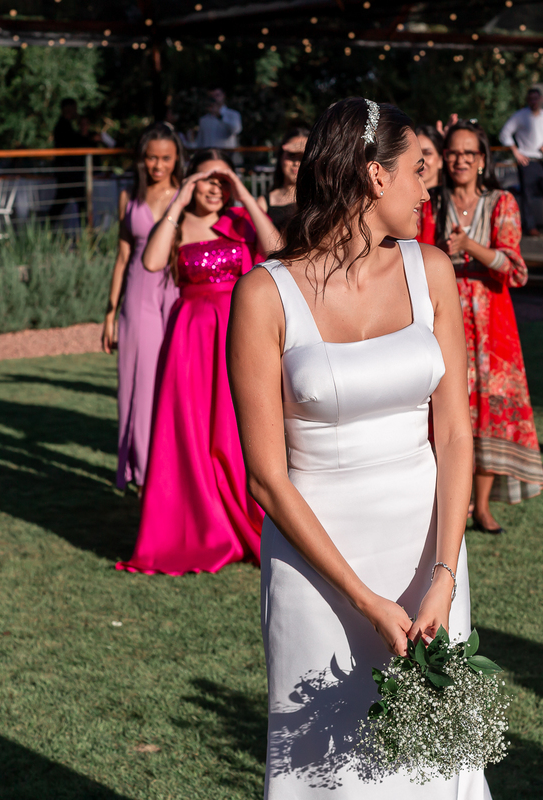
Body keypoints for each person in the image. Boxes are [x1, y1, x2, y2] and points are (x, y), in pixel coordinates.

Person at [227, 97, 488, 796]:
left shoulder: (431, 269)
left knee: (432, 761)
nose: (428, 187)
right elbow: (265, 479)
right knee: (332, 771)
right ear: (375, 176)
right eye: (417, 170)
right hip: (319, 568)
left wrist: (444, 575)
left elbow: (456, 433)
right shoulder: (263, 294)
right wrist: (364, 599)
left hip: (426, 553)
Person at [115, 149, 281, 575]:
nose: (214, 188)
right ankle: (203, 524)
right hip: (190, 338)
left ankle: (243, 516)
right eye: (206, 180)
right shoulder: (177, 224)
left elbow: (277, 247)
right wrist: (181, 196)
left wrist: (240, 187)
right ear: (191, 183)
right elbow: (151, 261)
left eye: (220, 181)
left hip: (237, 331)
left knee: (233, 429)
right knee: (190, 432)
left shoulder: (240, 222)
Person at [417, 120, 543, 532]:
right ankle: (457, 501)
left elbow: (516, 269)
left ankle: (484, 506)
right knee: (447, 405)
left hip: (493, 321)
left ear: (483, 159)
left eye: (468, 153)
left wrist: (470, 247)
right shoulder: (431, 201)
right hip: (443, 313)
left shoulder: (501, 202)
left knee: (489, 409)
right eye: (453, 152)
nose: (459, 160)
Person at [102, 124, 185, 494]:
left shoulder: (185, 196)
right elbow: (121, 258)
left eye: (166, 158)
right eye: (152, 157)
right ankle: (141, 470)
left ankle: (173, 469)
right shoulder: (128, 197)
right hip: (137, 295)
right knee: (135, 386)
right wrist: (109, 314)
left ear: (176, 160)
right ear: (142, 158)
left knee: (171, 384)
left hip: (176, 293)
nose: (158, 165)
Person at [499, 87, 543, 235]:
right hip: (527, 162)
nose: (534, 102)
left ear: (541, 99)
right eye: (531, 99)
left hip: (542, 162)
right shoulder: (520, 116)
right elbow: (504, 134)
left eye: (536, 98)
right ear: (528, 100)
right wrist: (516, 153)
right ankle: (530, 226)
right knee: (528, 197)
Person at [46, 98, 99, 225]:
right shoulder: (63, 127)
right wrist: (89, 139)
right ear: (68, 109)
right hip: (69, 174)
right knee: (71, 206)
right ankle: (88, 235)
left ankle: (45, 230)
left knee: (70, 205)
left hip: (70, 174)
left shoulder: (66, 126)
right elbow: (74, 146)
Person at [257, 128, 309, 232]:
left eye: (303, 156)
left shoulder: (323, 198)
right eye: (292, 155)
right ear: (281, 157)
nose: (296, 163)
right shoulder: (264, 203)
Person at [414, 125, 445, 190]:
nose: (420, 160)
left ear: (440, 160)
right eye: (415, 153)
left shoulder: (453, 198)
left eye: (427, 153)